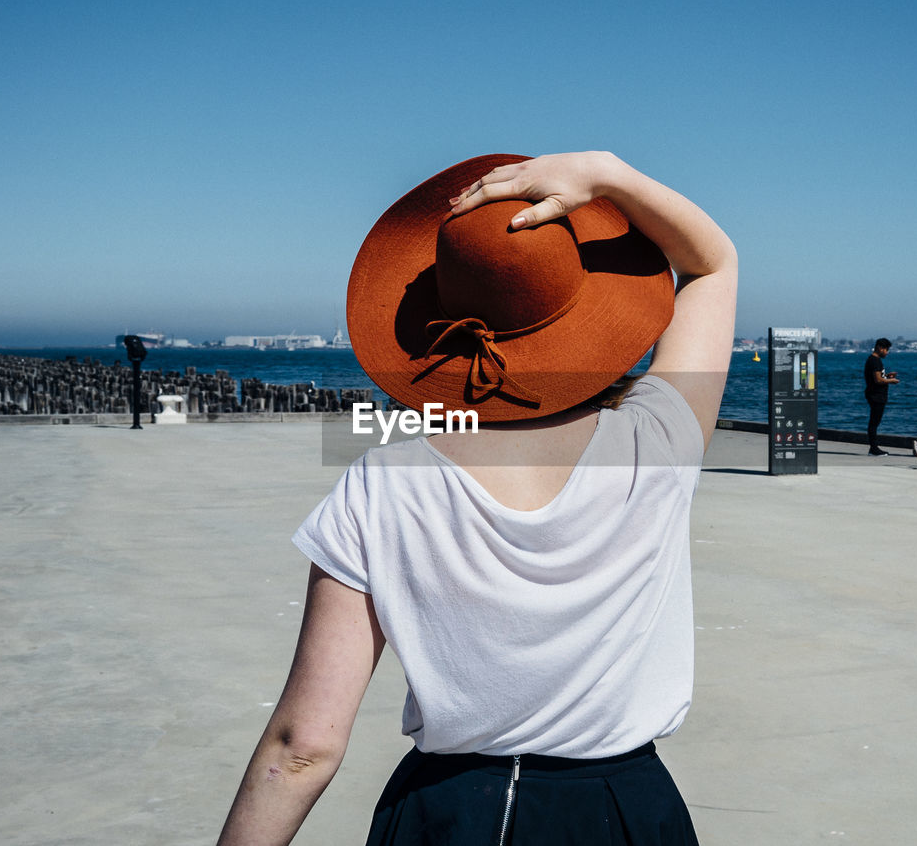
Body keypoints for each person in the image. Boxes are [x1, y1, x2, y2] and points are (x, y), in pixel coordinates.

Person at [216, 151, 737, 845]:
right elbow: (712, 264)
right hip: (624, 810)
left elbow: (303, 745)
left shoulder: (384, 480)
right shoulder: (659, 440)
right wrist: (608, 175)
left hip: (447, 813)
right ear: (581, 307)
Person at [863, 337, 899, 456]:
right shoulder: (875, 361)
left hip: (876, 394)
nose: (887, 352)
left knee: (875, 422)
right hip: (876, 396)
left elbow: (878, 377)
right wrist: (891, 381)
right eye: (886, 350)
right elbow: (878, 380)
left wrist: (887, 377)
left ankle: (873, 447)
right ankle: (874, 449)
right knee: (874, 423)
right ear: (880, 348)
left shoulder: (874, 360)